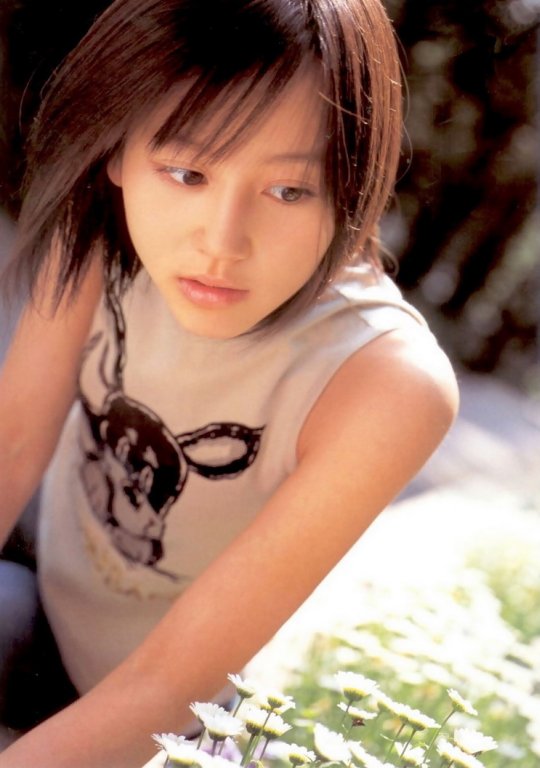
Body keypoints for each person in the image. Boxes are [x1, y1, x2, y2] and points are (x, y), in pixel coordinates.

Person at [0, 0, 459, 765]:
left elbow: (165, 688)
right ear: (116, 151)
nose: (222, 242)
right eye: (187, 172)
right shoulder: (98, 224)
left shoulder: (383, 383)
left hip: (179, 733)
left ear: (351, 186)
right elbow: (13, 443)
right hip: (41, 613)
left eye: (289, 191)